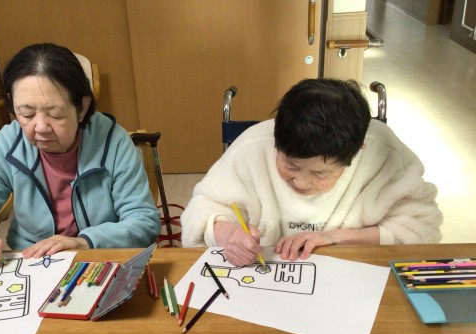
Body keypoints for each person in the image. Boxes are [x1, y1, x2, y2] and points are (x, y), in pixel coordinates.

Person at [0, 43, 161, 273]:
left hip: (98, 260)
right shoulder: (8, 145)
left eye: (55, 114)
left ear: (82, 107)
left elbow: (143, 221)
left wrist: (83, 242)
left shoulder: (113, 141)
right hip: (32, 265)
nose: (41, 127)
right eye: (27, 114)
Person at [181, 78, 443, 265]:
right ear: (276, 140)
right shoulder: (253, 146)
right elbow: (199, 211)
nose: (301, 182)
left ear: (357, 151)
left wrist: (335, 237)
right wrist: (228, 234)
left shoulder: (383, 153)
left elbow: (421, 228)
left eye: (320, 174)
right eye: (290, 165)